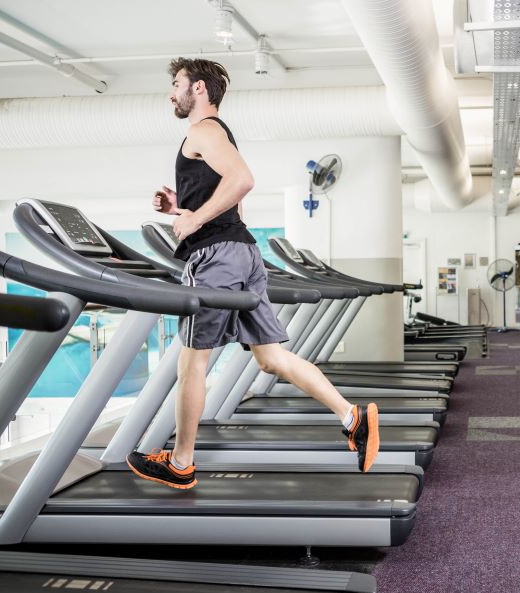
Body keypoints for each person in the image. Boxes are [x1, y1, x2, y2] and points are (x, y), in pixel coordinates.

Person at [126, 58, 379, 489]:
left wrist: (191, 221)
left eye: (176, 84)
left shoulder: (202, 130)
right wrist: (179, 209)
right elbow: (235, 207)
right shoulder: (221, 136)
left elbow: (243, 181)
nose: (171, 93)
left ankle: (181, 462)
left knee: (192, 365)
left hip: (215, 257)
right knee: (270, 357)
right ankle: (353, 418)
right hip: (243, 252)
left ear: (199, 89)